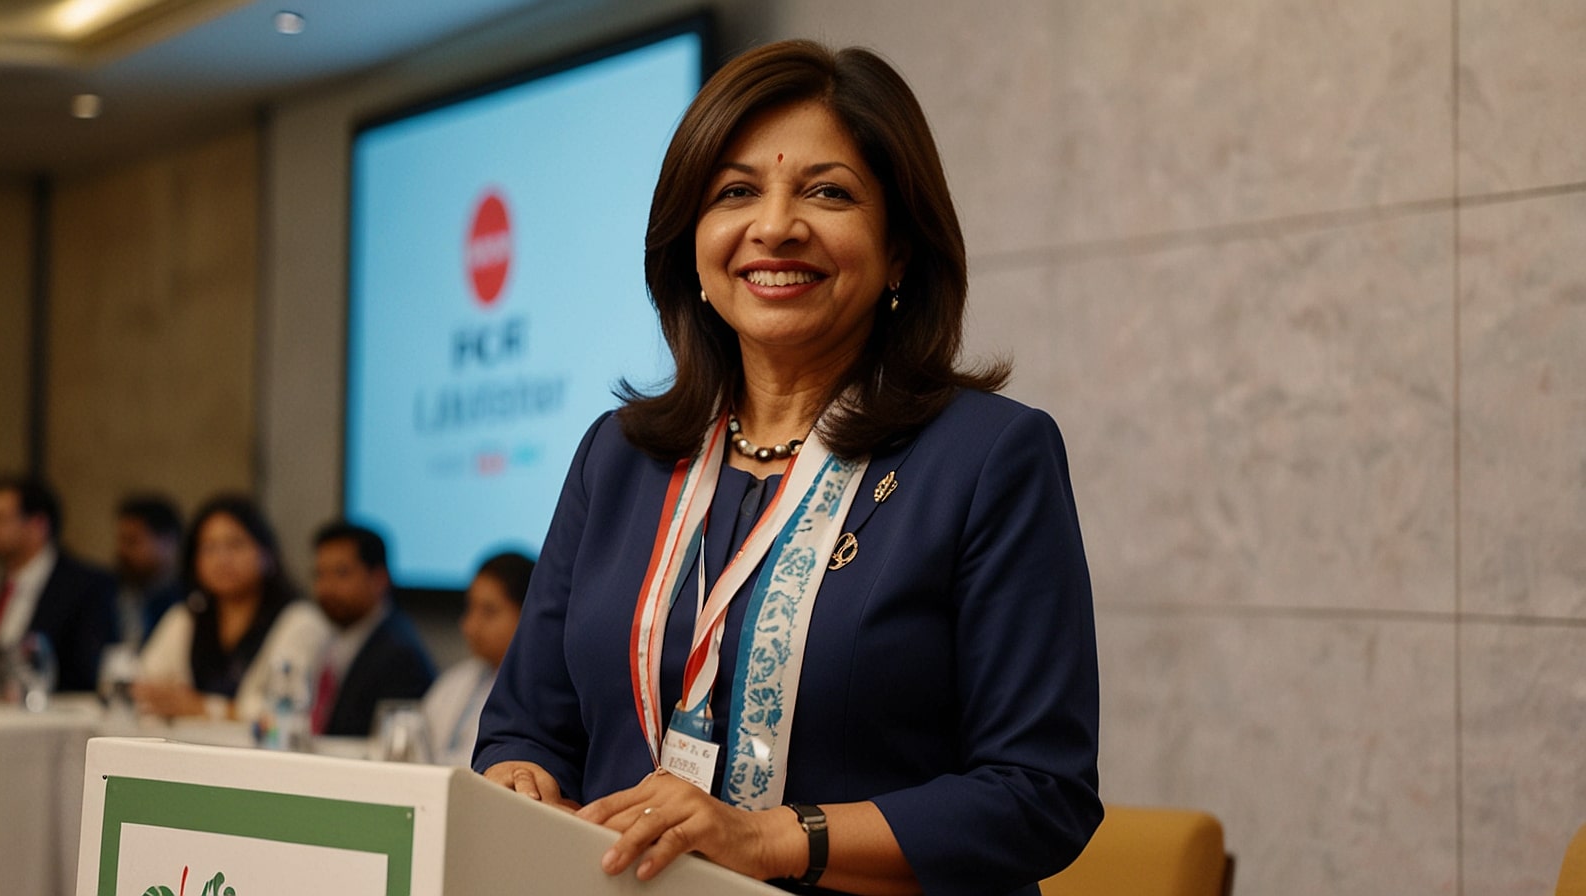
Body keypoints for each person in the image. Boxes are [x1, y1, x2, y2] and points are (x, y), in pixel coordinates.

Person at [473, 40, 1101, 896]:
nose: (774, 226)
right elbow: (524, 728)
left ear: (900, 248)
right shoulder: (617, 458)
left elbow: (1039, 795)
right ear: (691, 244)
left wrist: (768, 839)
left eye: (828, 192)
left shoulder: (988, 458)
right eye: (735, 193)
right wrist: (518, 781)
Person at [135, 494, 330, 721]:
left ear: (266, 554)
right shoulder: (186, 617)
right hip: (186, 741)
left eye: (235, 545)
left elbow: (286, 708)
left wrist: (205, 708)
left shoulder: (300, 620)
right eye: (209, 548)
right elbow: (145, 685)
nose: (222, 559)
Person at [307, 520, 435, 737]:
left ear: (379, 579)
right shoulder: (336, 638)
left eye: (341, 573)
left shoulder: (400, 655)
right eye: (320, 574)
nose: (326, 588)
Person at [0, 474, 119, 692]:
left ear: (38, 525)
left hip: (52, 708)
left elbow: (87, 673)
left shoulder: (85, 586)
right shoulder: (1, 582)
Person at [423, 551, 532, 766]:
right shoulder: (455, 680)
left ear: (528, 614)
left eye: (488, 612)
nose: (470, 625)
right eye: (470, 608)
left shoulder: (539, 695)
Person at [113, 494, 185, 650]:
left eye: (132, 541)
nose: (122, 550)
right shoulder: (110, 592)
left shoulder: (188, 600)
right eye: (121, 540)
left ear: (168, 541)